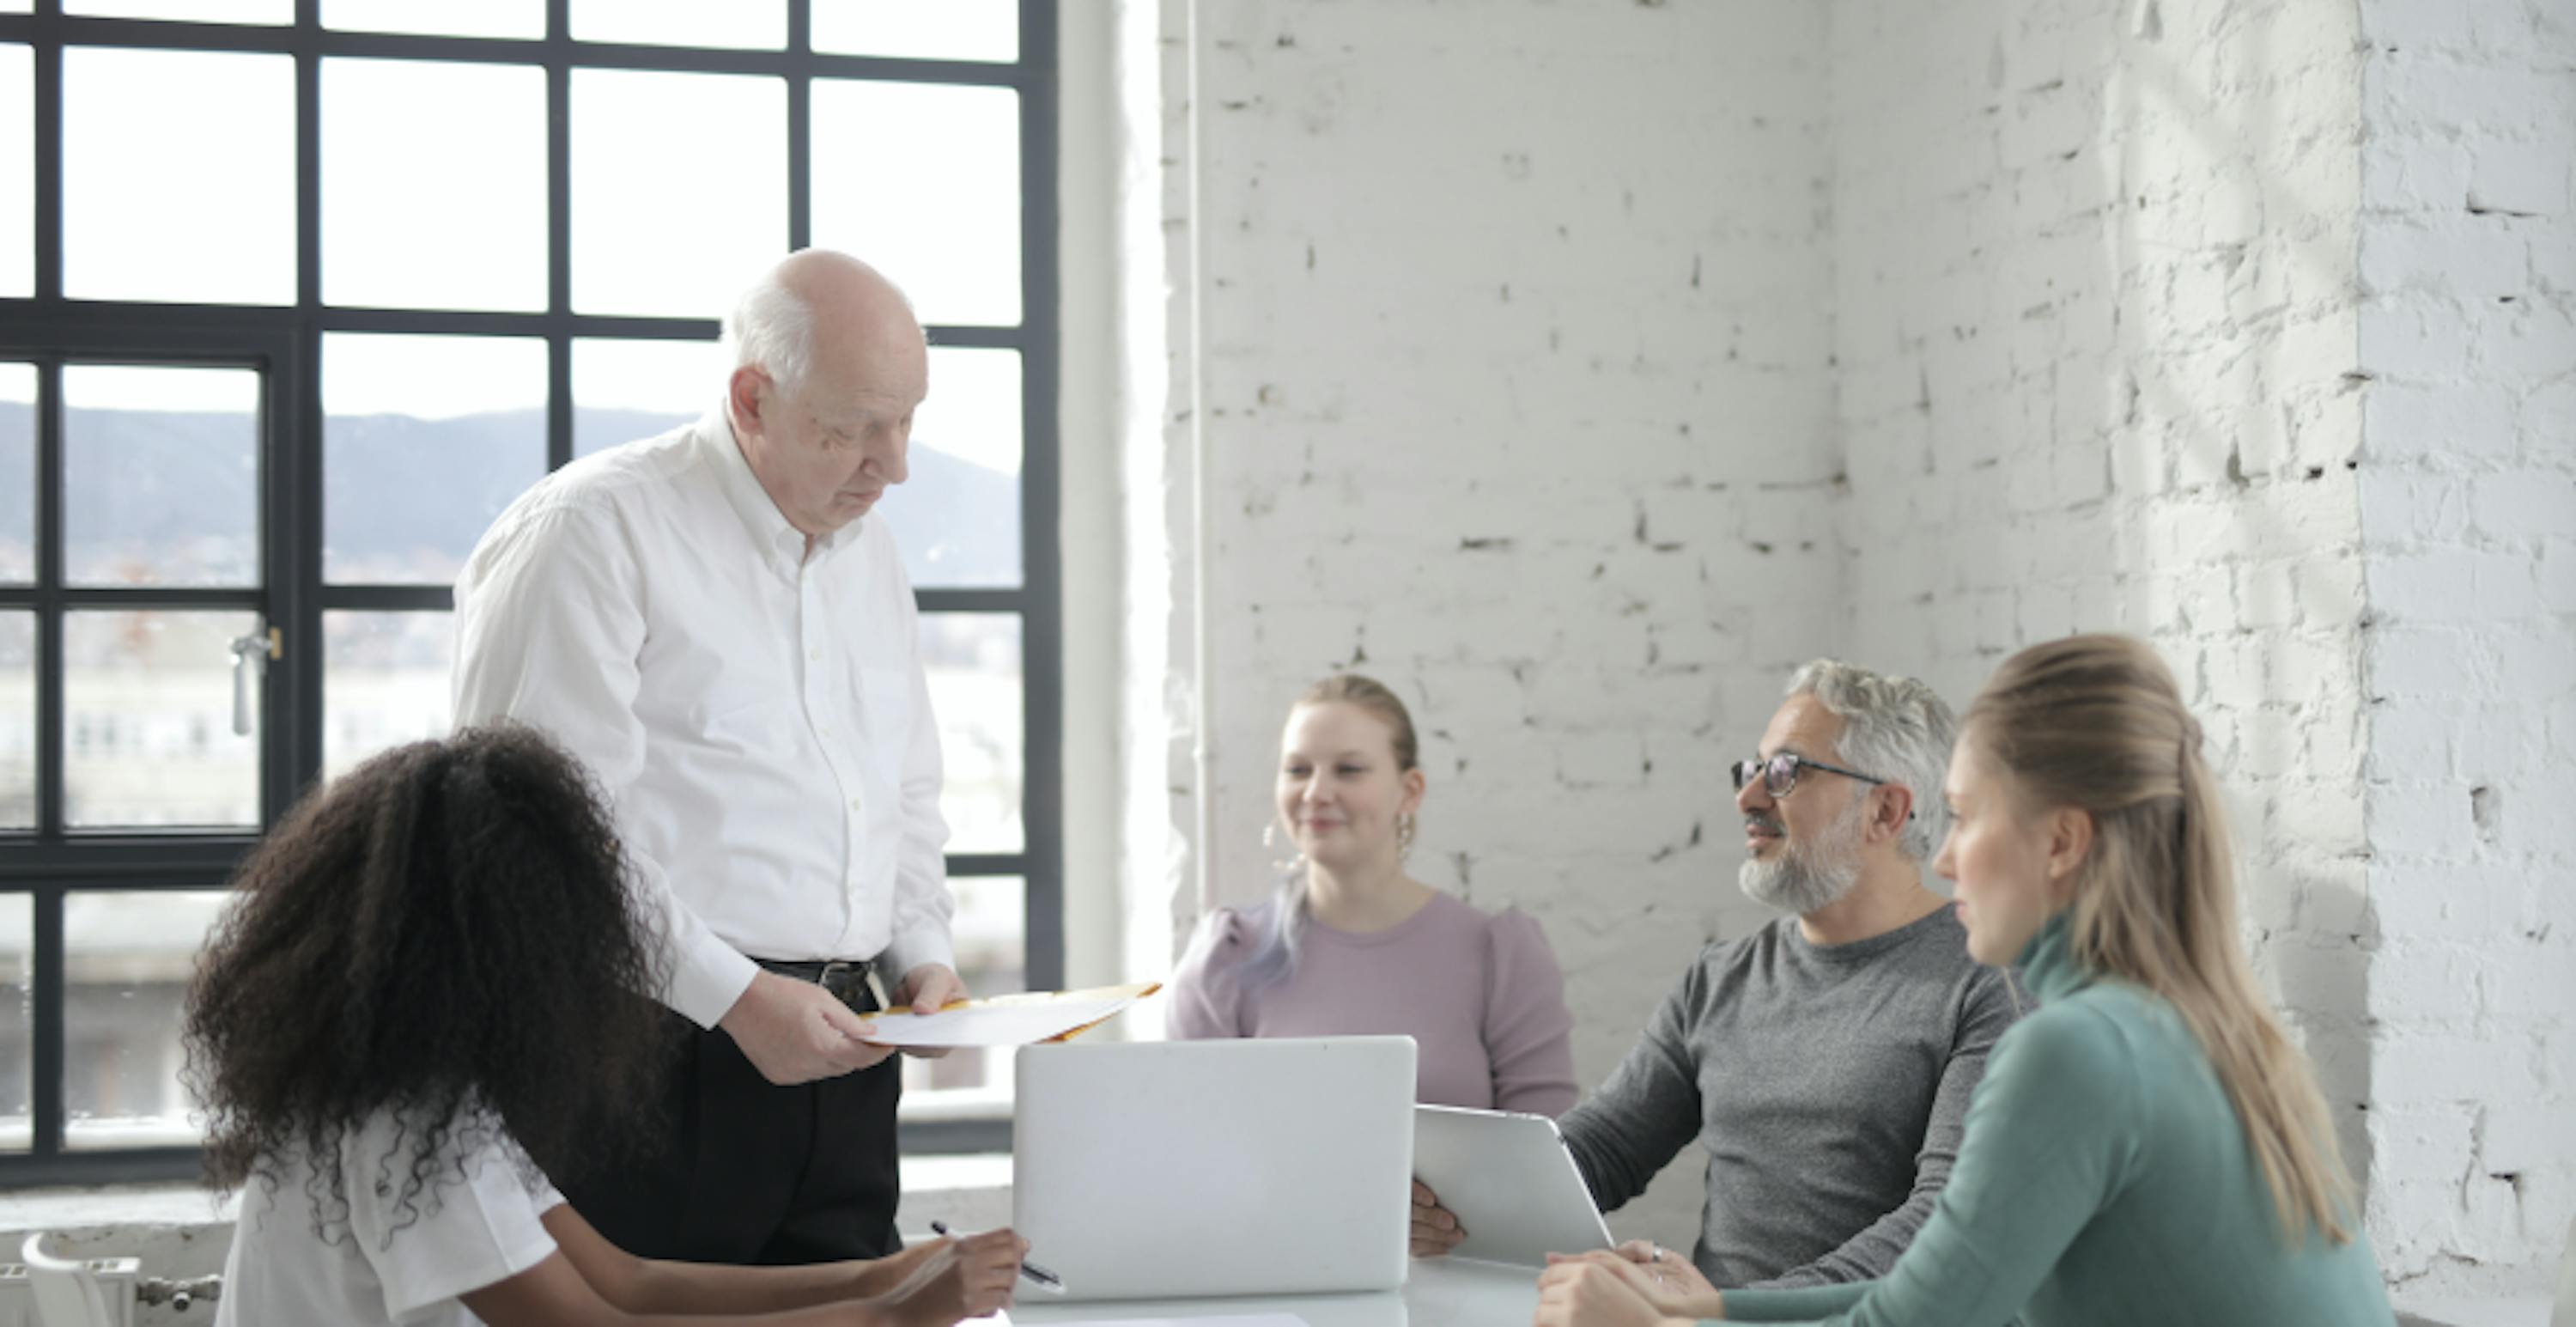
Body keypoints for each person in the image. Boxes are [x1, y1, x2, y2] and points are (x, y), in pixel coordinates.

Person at [1534, 634, 2396, 1326]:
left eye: (1967, 816)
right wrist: (1718, 1309)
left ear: (2059, 843)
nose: (1945, 856)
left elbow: (1920, 1312)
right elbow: (1950, 1281)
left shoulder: (2072, 1048)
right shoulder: (2184, 1025)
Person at [451, 250, 961, 1264]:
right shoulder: (591, 532)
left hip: (852, 1052)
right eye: (853, 425)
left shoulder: (873, 552)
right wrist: (735, 998)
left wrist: (926, 954)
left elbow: (902, 790)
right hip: (647, 1054)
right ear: (752, 398)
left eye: (907, 420)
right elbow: (538, 845)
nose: (892, 463)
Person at [187, 727, 1027, 1327]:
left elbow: (630, 1281)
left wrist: (895, 1274)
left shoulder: (409, 1094)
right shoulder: (410, 1127)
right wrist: (890, 1317)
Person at [1414, 660, 2022, 1287]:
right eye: (1752, 768)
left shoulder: (1987, 984)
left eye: (1785, 771)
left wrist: (1728, 1314)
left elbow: (1943, 1219)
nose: (1748, 796)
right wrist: (1452, 1198)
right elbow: (1606, 1146)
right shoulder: (1720, 977)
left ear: (1886, 811)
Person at [1167, 673, 1579, 1115]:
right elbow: (1191, 1143)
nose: (1316, 792)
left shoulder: (1500, 955)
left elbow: (1544, 1153)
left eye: (1349, 770)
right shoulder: (1226, 957)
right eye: (1297, 769)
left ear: (1410, 791)